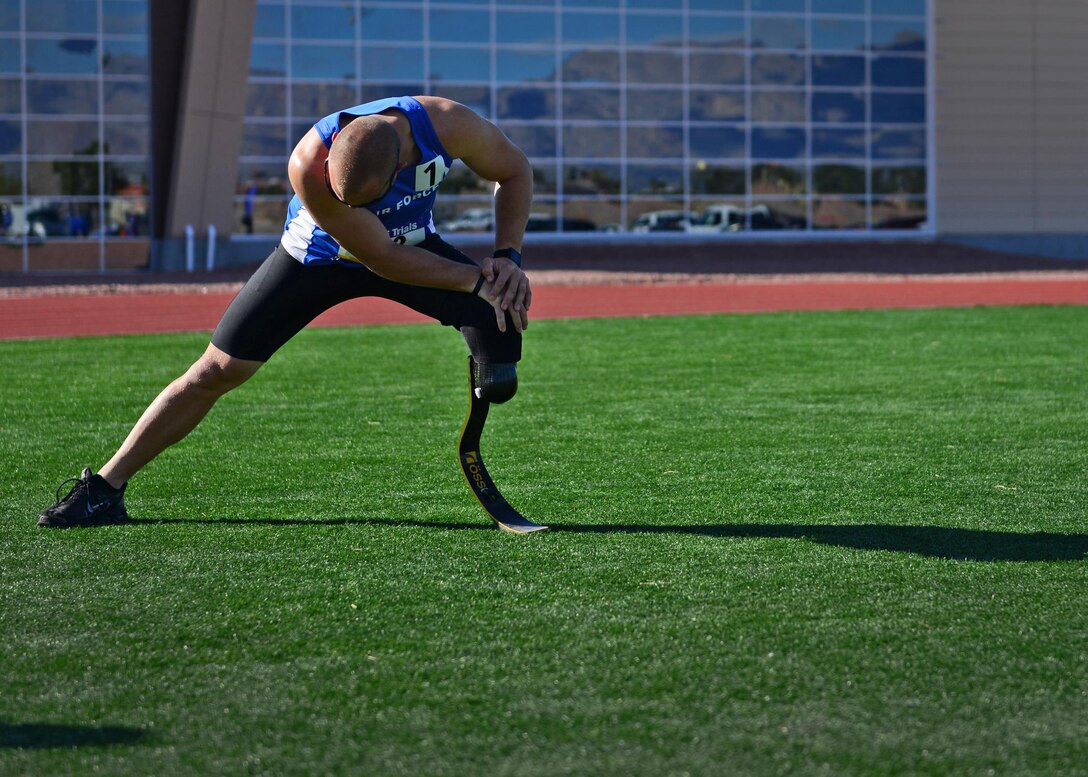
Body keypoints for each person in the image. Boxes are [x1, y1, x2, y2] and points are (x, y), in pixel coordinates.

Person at [39, 95, 533, 528]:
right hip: (317, 258)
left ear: (401, 167)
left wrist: (506, 259)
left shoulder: (450, 124)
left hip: (413, 244)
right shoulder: (305, 161)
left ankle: (483, 400)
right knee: (217, 369)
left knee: (501, 331)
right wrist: (475, 279)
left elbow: (514, 171)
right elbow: (381, 257)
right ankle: (104, 488)